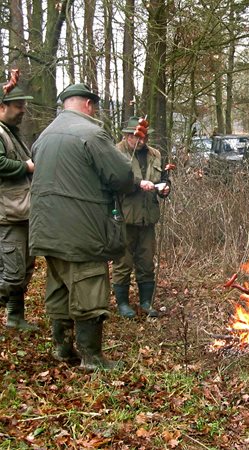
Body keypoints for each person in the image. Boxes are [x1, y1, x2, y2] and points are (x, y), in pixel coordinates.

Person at [30, 83, 134, 370]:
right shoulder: (91, 133)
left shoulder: (44, 136)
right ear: (89, 104)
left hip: (46, 229)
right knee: (88, 288)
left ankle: (63, 349)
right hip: (81, 230)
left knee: (60, 287)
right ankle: (92, 357)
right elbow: (122, 177)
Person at [112, 117, 171, 319]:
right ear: (126, 135)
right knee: (123, 262)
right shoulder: (116, 153)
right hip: (124, 217)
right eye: (135, 136)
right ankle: (123, 304)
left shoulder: (155, 155)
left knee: (146, 262)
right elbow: (114, 182)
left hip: (148, 217)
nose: (140, 140)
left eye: (143, 136)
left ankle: (146, 302)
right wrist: (138, 183)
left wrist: (165, 189)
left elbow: (163, 179)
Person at [0, 81, 37, 330]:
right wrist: (27, 166)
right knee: (11, 274)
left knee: (23, 270)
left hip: (23, 213)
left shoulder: (13, 132)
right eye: (18, 105)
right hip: (7, 215)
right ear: (2, 106)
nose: (23, 110)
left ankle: (15, 318)